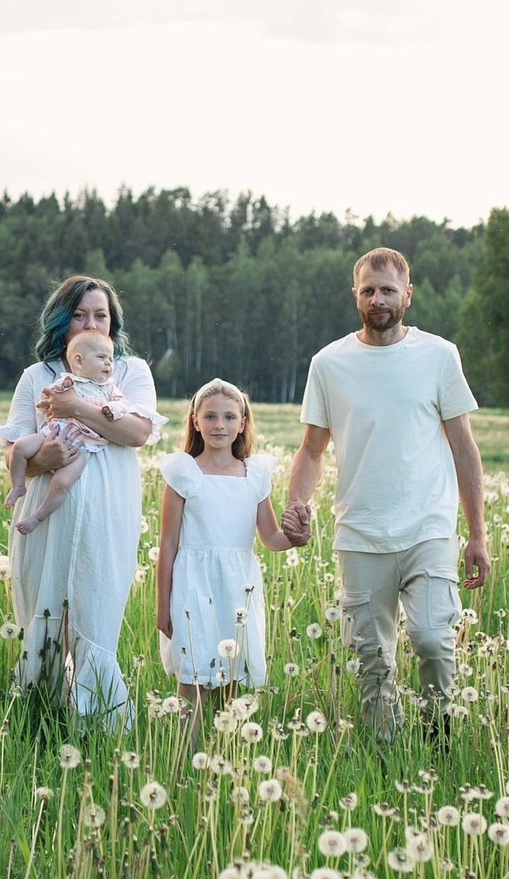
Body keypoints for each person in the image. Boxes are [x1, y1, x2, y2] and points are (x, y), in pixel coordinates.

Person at [282, 246, 490, 743]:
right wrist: (298, 505)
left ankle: (436, 738)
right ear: (355, 295)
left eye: (388, 290)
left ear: (408, 295)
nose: (379, 299)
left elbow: (464, 447)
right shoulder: (328, 364)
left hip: (428, 530)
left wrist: (477, 535)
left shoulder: (439, 356)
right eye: (369, 290)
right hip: (359, 534)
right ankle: (387, 756)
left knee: (433, 640)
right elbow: (312, 449)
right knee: (372, 662)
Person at [0, 275, 163, 728]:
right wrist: (41, 458)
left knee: (96, 610)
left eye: (101, 315)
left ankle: (98, 727)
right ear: (62, 320)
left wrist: (76, 410)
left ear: (113, 322)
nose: (91, 322)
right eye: (80, 314)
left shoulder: (129, 371)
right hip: (47, 510)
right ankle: (39, 722)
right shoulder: (38, 376)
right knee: (46, 613)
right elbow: (13, 449)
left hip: (108, 511)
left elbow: (137, 432)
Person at [156, 378, 307, 744]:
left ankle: (223, 762)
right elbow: (168, 544)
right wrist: (163, 606)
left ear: (242, 422)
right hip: (193, 584)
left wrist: (297, 537)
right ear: (195, 421)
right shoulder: (183, 473)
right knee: (192, 676)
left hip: (238, 587)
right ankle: (182, 762)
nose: (219, 425)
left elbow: (270, 538)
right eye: (209, 416)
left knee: (229, 678)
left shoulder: (254, 475)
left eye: (228, 417)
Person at [3, 330, 164, 536]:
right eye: (101, 358)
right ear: (79, 361)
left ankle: (37, 517)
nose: (108, 364)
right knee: (20, 447)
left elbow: (122, 406)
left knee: (61, 483)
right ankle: (17, 486)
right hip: (50, 435)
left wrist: (110, 410)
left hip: (82, 446)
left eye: (110, 359)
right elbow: (48, 399)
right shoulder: (64, 380)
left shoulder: (109, 388)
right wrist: (47, 404)